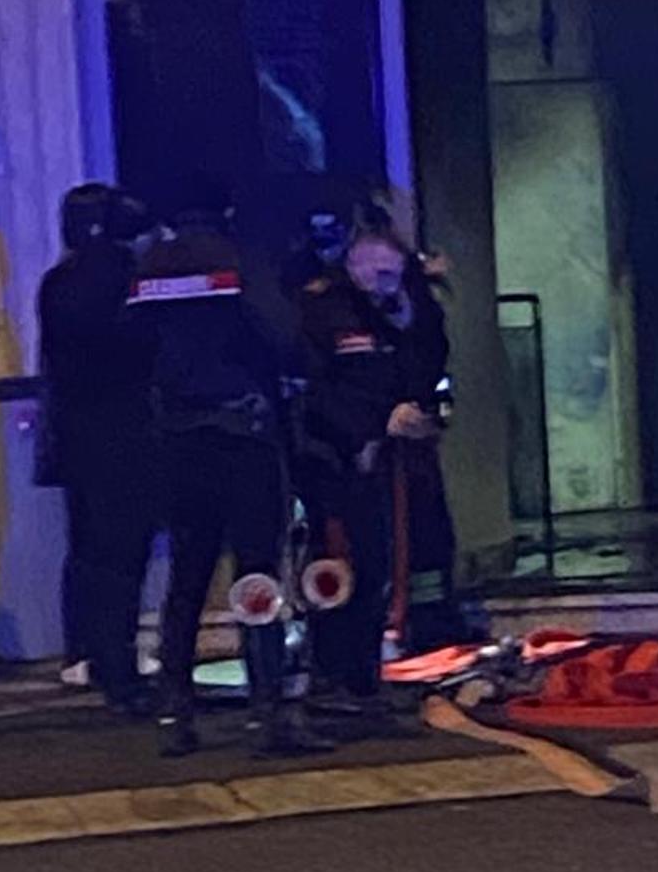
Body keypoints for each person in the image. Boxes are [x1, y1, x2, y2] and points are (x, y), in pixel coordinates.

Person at [129, 179, 332, 759]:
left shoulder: (150, 270)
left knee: (187, 578)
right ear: (226, 214)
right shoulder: (238, 261)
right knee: (256, 576)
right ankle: (268, 714)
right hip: (243, 439)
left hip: (177, 442)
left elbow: (131, 351)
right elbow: (281, 335)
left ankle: (175, 711)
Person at [297, 230, 448, 731]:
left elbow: (427, 364)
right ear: (353, 266)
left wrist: (412, 303)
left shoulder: (401, 310)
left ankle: (365, 680)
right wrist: (376, 422)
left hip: (391, 457)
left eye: (393, 272)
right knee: (339, 570)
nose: (383, 281)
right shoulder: (326, 310)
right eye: (375, 271)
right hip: (337, 460)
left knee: (383, 565)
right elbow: (318, 390)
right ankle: (331, 679)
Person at [39, 184, 159, 716]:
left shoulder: (57, 282)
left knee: (89, 553)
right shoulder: (124, 278)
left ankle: (87, 653)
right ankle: (121, 671)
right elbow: (143, 348)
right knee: (122, 557)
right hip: (127, 436)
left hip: (76, 441)